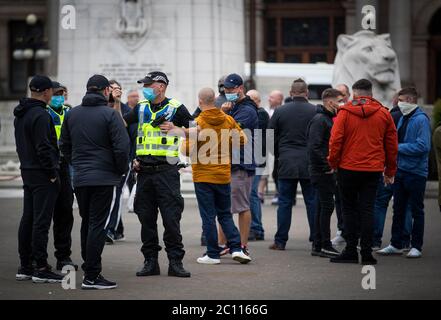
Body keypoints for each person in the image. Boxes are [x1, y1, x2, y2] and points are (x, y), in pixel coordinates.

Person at [120, 71, 193, 278]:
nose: (145, 88)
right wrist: (115, 103)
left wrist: (176, 129)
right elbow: (119, 125)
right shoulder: (141, 107)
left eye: (148, 85)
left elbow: (198, 130)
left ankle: (175, 262)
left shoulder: (176, 107)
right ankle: (150, 262)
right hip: (143, 172)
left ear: (161, 86)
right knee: (147, 220)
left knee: (171, 220)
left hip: (167, 172)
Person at [60, 74, 130, 290]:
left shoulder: (72, 114)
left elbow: (64, 145)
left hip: (80, 177)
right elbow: (122, 147)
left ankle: (89, 266)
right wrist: (118, 171)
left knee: (88, 222)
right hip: (103, 177)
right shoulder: (110, 115)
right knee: (97, 224)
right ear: (106, 91)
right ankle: (92, 275)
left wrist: (78, 164)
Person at [328, 79, 398, 265]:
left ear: (354, 93)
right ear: (371, 93)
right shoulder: (384, 114)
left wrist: (333, 163)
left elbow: (335, 141)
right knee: (368, 209)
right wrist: (390, 170)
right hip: (373, 168)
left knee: (349, 209)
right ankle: (366, 252)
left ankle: (351, 250)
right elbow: (392, 145)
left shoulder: (344, 113)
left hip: (348, 168)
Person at [181, 88, 251, 265]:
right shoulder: (228, 119)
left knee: (208, 217)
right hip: (222, 174)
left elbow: (185, 150)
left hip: (203, 176)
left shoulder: (196, 122)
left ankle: (212, 253)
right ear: (215, 101)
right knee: (225, 214)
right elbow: (243, 140)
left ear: (200, 102)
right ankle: (237, 248)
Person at [14, 75, 64, 283]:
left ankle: (26, 265)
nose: (53, 93)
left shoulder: (21, 114)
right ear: (45, 92)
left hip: (27, 169)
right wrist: (52, 173)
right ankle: (41, 267)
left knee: (29, 218)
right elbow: (44, 147)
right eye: (52, 90)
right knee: (41, 221)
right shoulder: (41, 115)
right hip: (43, 173)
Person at [377, 87, 431, 259]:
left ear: (409, 100)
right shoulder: (403, 118)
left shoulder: (421, 119)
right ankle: (396, 244)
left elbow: (423, 146)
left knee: (416, 210)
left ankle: (416, 246)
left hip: (416, 172)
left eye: (400, 100)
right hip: (400, 170)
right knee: (398, 209)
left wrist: (397, 148)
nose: (397, 103)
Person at [268, 78, 317, 251]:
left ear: (290, 93)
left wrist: (280, 153)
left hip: (286, 162)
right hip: (309, 162)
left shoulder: (280, 111)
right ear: (307, 93)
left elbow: (269, 136)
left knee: (284, 203)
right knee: (312, 202)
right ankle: (316, 239)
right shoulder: (315, 110)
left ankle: (280, 241)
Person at [218, 73, 258, 255]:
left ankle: (242, 245)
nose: (228, 92)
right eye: (226, 89)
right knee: (225, 206)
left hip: (241, 163)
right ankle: (224, 244)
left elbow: (232, 130)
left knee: (241, 206)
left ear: (240, 88)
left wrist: (223, 114)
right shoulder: (234, 106)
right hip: (230, 161)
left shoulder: (247, 110)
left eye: (231, 89)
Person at [372, 92, 413, 250]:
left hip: (389, 165)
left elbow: (383, 142)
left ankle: (375, 240)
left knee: (380, 203)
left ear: (394, 101)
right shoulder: (416, 117)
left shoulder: (388, 116)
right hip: (407, 166)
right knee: (405, 205)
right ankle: (405, 241)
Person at [307, 88, 345, 258]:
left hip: (323, 169)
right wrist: (327, 164)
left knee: (322, 206)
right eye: (339, 100)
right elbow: (314, 146)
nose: (341, 104)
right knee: (326, 206)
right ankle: (324, 244)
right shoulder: (321, 120)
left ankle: (318, 244)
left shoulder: (325, 118)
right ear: (330, 102)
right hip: (322, 171)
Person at [47, 82, 77, 271]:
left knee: (65, 214)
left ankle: (63, 256)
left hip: (65, 167)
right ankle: (35, 258)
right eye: (57, 93)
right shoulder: (43, 112)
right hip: (47, 168)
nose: (61, 97)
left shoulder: (70, 112)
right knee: (40, 217)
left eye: (63, 94)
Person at [104, 80, 136, 243]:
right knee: (107, 194)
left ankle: (110, 229)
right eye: (113, 89)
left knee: (116, 193)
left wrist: (116, 102)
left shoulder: (125, 110)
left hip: (122, 159)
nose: (117, 91)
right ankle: (118, 228)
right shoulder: (100, 107)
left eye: (119, 89)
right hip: (103, 160)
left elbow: (122, 130)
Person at [246, 89, 269, 241]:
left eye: (250, 100)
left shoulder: (260, 114)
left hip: (256, 158)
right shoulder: (255, 112)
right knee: (251, 194)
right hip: (252, 158)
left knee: (252, 194)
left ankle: (256, 228)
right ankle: (255, 227)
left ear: (257, 100)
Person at [330, 84, 350, 245]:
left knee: (351, 201)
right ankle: (342, 230)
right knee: (339, 199)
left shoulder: (349, 112)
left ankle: (350, 232)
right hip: (336, 164)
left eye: (342, 95)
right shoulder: (332, 114)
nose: (340, 98)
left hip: (349, 163)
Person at [262, 90, 284, 206]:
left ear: (279, 100)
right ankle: (263, 193)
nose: (269, 99)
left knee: (277, 172)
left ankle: (279, 193)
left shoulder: (283, 111)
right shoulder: (266, 111)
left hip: (279, 147)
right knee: (266, 170)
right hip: (267, 144)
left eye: (272, 97)